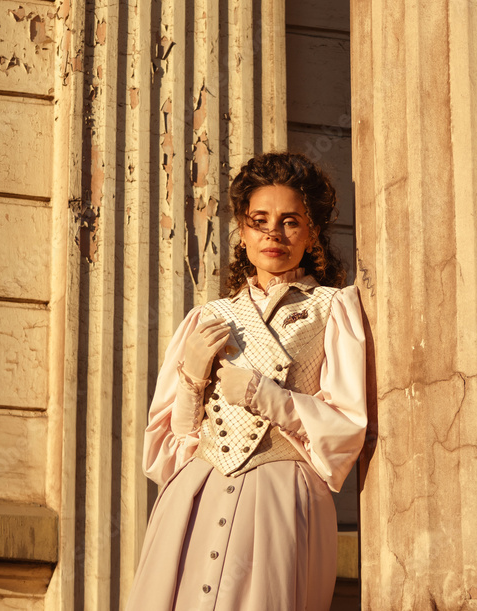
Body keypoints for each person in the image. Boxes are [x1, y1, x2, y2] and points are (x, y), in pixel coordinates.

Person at [125, 152, 368, 611]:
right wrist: (192, 382)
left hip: (283, 499)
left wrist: (267, 397)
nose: (273, 234)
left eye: (290, 220)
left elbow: (347, 429)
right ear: (242, 228)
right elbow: (167, 452)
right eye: (260, 220)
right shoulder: (207, 317)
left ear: (312, 231)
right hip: (195, 497)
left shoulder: (333, 309)